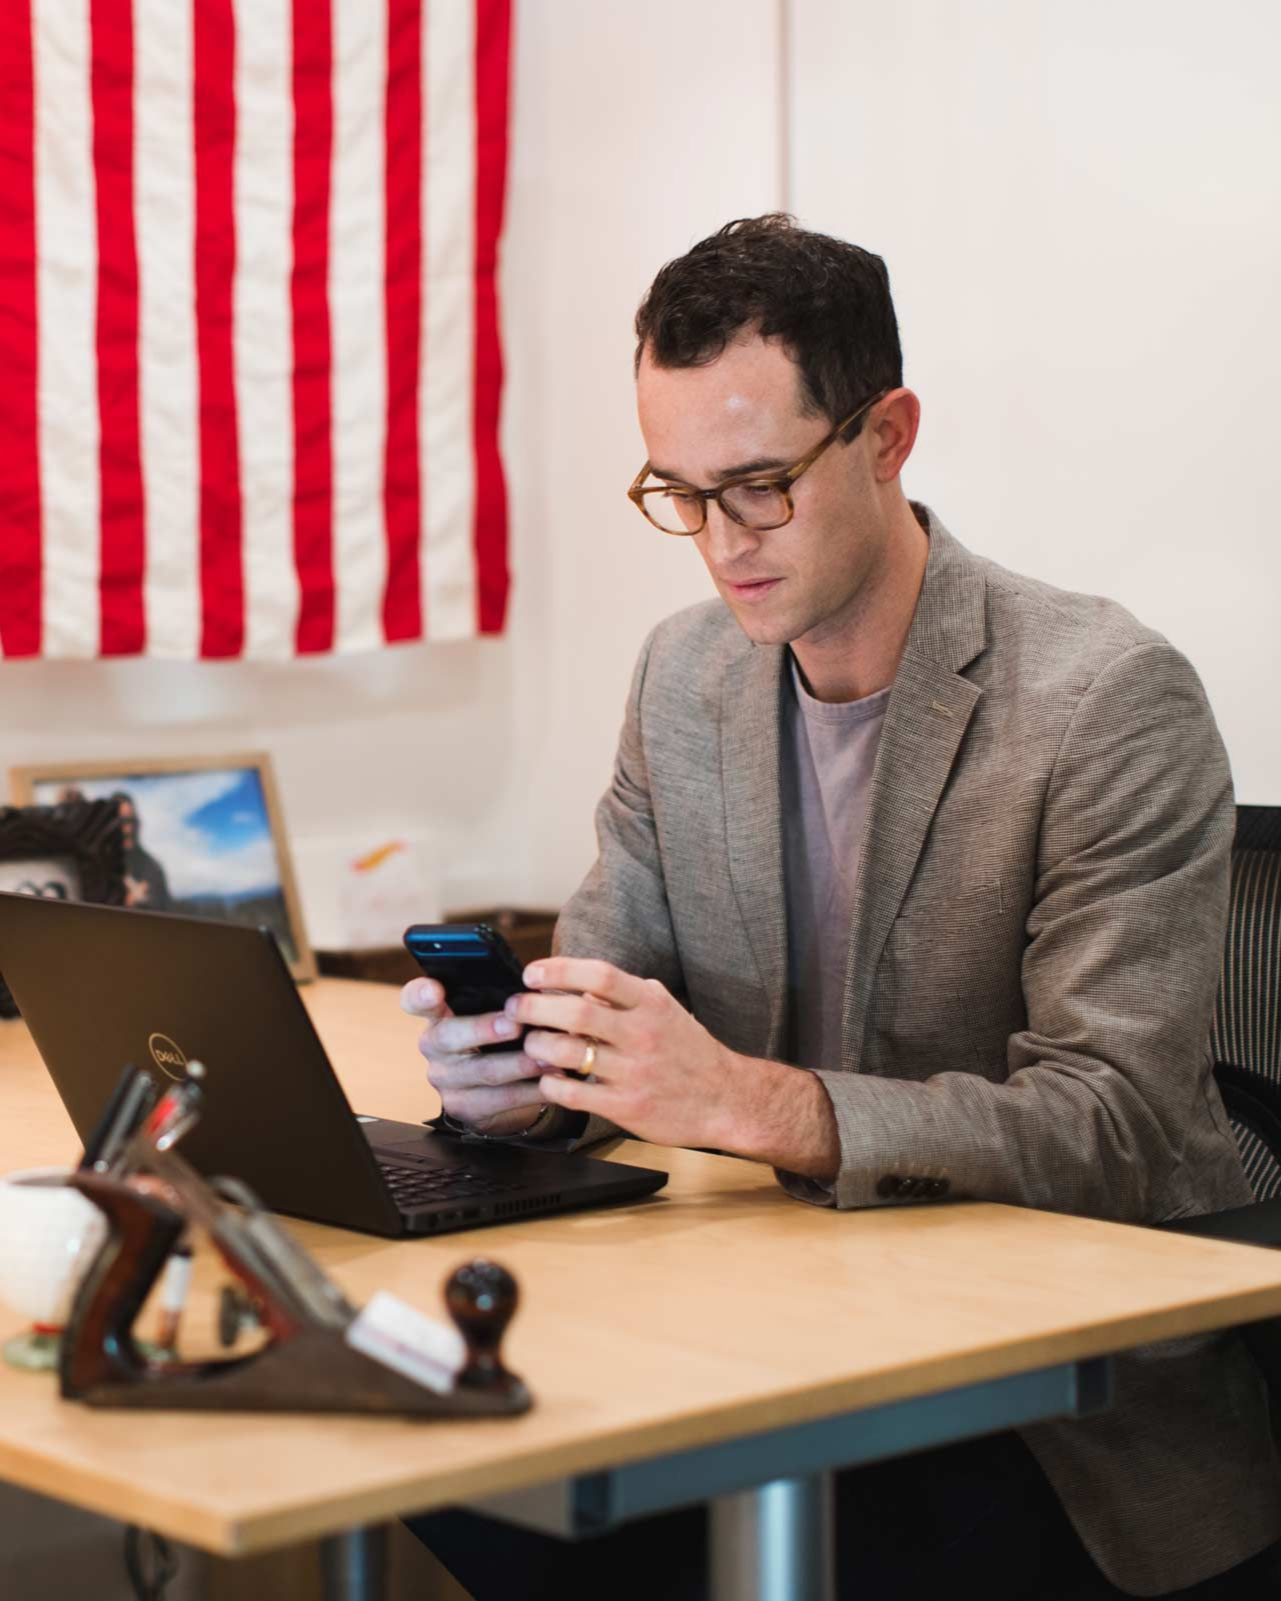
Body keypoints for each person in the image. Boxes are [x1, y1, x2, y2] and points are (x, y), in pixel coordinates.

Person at [403, 216, 1280, 1598]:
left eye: (758, 486)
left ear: (887, 435)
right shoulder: (682, 679)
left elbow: (1111, 1124)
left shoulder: (1106, 702)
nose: (718, 545)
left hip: (1052, 1405)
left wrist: (758, 1106)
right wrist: (517, 1077)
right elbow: (604, 973)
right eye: (679, 493)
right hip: (778, 1331)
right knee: (458, 1475)